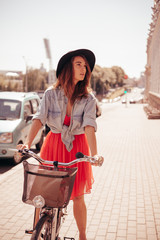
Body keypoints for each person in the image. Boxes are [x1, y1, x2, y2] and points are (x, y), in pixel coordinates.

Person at [18, 48, 104, 240]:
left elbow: (89, 126)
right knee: (44, 194)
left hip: (78, 149)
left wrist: (95, 154)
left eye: (86, 66)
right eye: (79, 64)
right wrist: (28, 144)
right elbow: (39, 119)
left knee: (78, 196)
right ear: (68, 68)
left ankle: (82, 235)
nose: (84, 69)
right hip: (54, 144)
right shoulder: (51, 94)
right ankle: (37, 231)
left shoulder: (88, 98)